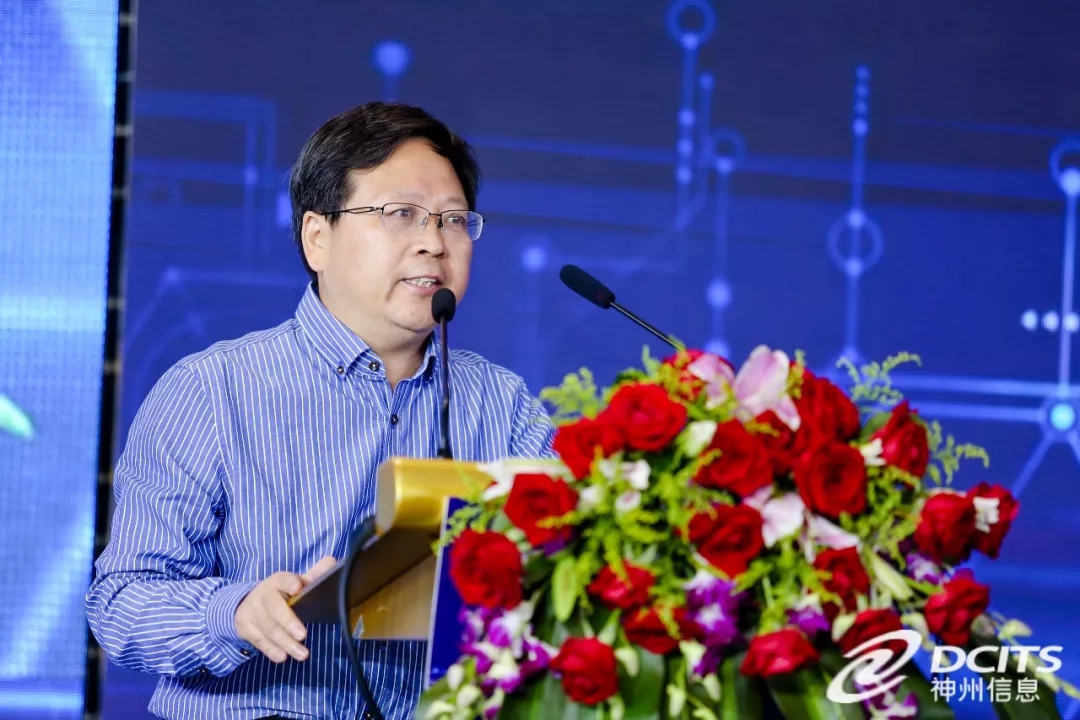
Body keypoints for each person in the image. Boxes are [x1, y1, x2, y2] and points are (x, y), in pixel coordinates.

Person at [85, 102, 557, 720]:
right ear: (317, 237)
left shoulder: (503, 405)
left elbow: (559, 572)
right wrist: (235, 613)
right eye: (402, 214)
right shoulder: (213, 390)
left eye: (453, 220)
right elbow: (121, 604)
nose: (433, 242)